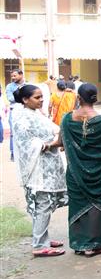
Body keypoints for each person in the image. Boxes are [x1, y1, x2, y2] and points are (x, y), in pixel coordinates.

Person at [13, 84, 68, 257]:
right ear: (25, 100)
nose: (41, 100)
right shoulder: (22, 117)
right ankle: (39, 245)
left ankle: (42, 238)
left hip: (48, 165)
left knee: (45, 204)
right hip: (38, 169)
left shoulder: (35, 113)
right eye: (37, 97)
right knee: (43, 205)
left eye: (41, 96)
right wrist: (53, 143)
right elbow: (27, 144)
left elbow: (52, 129)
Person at [61, 83, 101, 257]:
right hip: (98, 172)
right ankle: (93, 244)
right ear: (96, 98)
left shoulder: (67, 119)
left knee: (78, 205)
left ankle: (80, 244)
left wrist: (46, 146)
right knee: (96, 206)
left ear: (78, 98)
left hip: (75, 173)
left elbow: (61, 142)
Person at [6, 68, 26, 161]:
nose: (13, 78)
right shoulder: (10, 86)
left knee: (26, 131)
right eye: (12, 76)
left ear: (21, 74)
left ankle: (24, 152)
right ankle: (13, 153)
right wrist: (23, 96)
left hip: (25, 111)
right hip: (14, 111)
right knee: (13, 133)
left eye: (15, 75)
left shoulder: (27, 85)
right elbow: (10, 98)